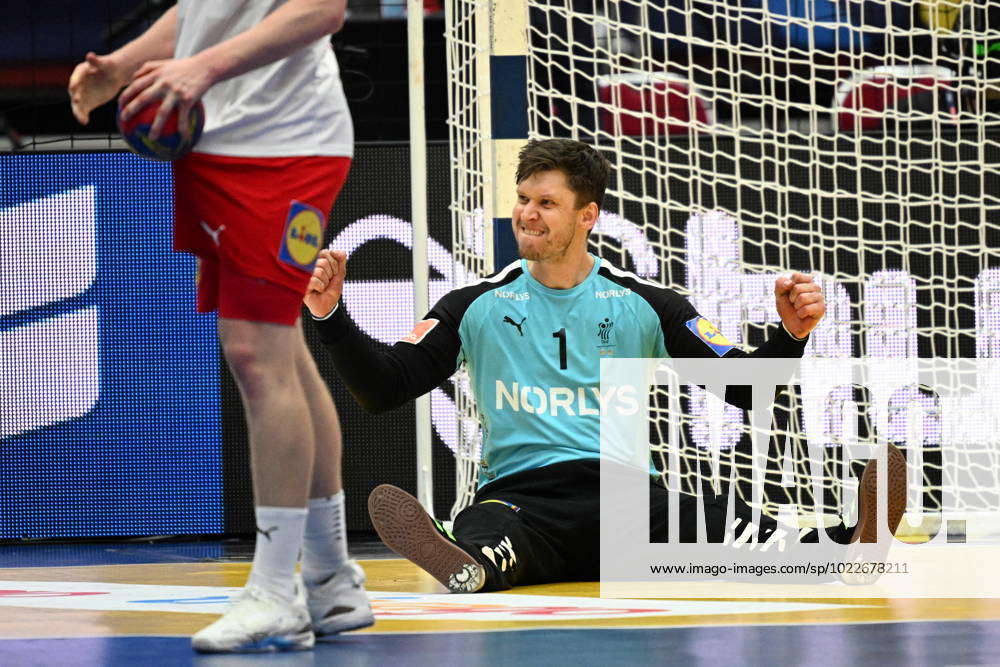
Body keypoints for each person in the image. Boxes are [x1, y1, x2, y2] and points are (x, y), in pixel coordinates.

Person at [305, 138, 906, 593]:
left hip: (628, 503)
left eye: (547, 203)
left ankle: (848, 544)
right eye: (522, 200)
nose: (527, 214)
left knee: (736, 527)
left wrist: (789, 335)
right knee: (489, 538)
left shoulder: (646, 303)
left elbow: (744, 390)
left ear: (587, 216)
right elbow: (385, 388)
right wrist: (332, 318)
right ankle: (470, 568)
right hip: (523, 499)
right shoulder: (474, 305)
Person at [68, 0, 372, 652]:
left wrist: (199, 68)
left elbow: (323, 9)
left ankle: (274, 592)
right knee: (277, 346)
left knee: (254, 351)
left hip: (289, 141)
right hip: (219, 137)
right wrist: (123, 67)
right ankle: (330, 578)